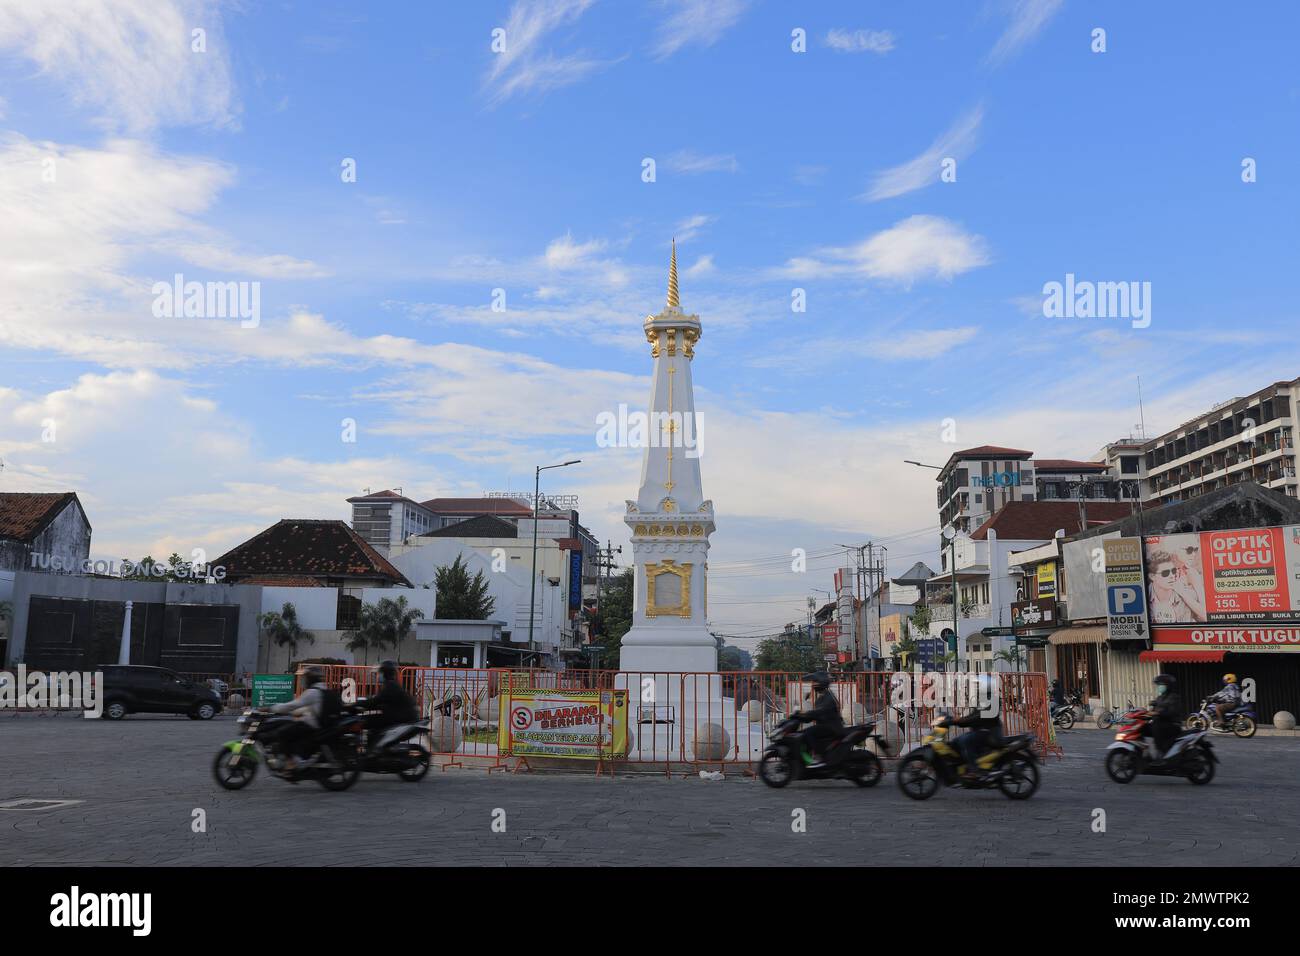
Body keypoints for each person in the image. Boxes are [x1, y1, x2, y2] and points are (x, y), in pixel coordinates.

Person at [271, 666, 329, 769]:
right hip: (321, 723)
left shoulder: (312, 692)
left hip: (312, 725)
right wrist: (297, 713)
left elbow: (293, 705)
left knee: (281, 733)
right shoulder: (324, 689)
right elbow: (312, 707)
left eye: (306, 678)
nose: (304, 681)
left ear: (312, 678)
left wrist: (272, 708)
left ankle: (291, 763)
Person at [949, 674, 1003, 780]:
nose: (977, 687)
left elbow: (979, 717)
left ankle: (975, 770)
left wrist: (962, 720)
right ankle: (962, 767)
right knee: (955, 741)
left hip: (990, 733)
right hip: (982, 731)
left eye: (979, 685)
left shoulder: (993, 699)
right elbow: (973, 715)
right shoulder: (982, 699)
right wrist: (958, 720)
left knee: (965, 740)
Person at [359, 660, 419, 750]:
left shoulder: (390, 686)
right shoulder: (390, 684)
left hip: (401, 717)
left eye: (380, 673)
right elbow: (379, 701)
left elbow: (376, 701)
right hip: (399, 715)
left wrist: (357, 704)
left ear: (385, 673)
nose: (378, 676)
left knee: (369, 722)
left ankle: (373, 750)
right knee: (373, 719)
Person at [790, 672, 844, 768]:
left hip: (832, 727)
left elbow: (818, 712)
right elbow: (814, 715)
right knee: (802, 733)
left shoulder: (829, 697)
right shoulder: (821, 698)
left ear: (822, 683)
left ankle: (819, 758)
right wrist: (800, 717)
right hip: (825, 726)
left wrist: (805, 715)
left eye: (815, 682)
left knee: (809, 732)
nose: (813, 684)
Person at [1148, 673, 1183, 761]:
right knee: (1144, 727)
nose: (1159, 687)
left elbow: (1171, 712)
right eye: (1158, 685)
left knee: (1156, 726)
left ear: (1168, 686)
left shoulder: (1174, 697)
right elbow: (1155, 706)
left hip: (1173, 725)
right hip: (1163, 722)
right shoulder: (1160, 697)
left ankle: (1161, 751)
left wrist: (1158, 713)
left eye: (1161, 685)